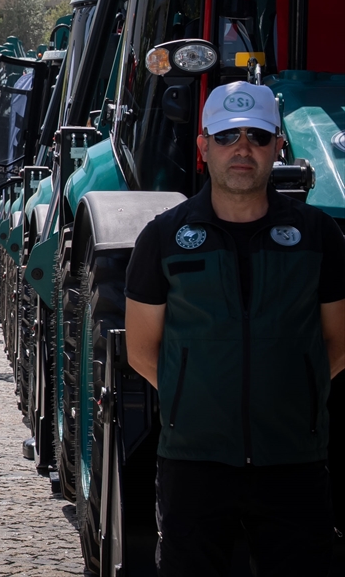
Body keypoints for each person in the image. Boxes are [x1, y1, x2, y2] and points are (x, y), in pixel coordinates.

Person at [125, 81, 345, 575]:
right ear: (204, 147)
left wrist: (293, 394)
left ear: (278, 146)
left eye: (257, 136)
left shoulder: (318, 235)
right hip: (194, 463)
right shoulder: (163, 237)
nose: (242, 148)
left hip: (293, 462)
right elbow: (141, 349)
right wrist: (199, 401)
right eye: (227, 136)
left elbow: (338, 342)